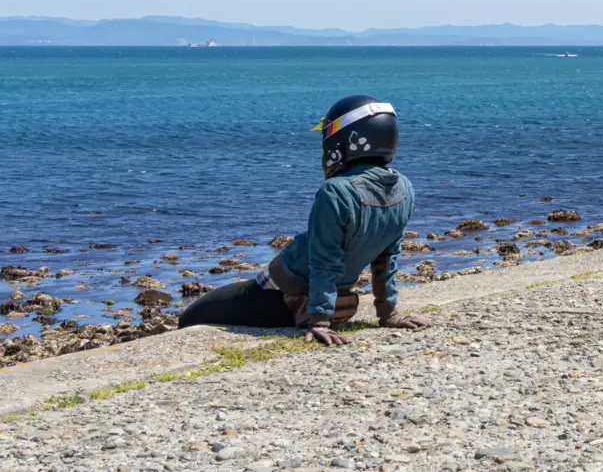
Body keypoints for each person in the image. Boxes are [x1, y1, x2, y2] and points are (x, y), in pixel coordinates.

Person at [179, 94, 431, 344]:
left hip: (285, 296)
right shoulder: (404, 187)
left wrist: (319, 320)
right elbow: (388, 259)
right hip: (340, 302)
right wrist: (389, 314)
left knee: (192, 314)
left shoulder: (336, 191)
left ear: (344, 141)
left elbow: (324, 260)